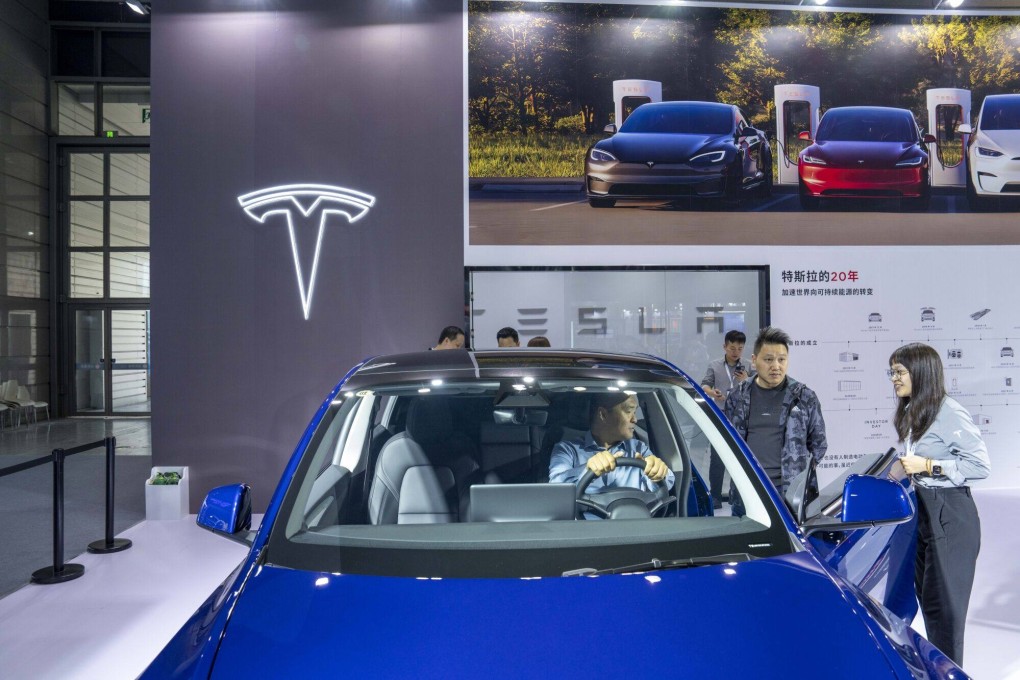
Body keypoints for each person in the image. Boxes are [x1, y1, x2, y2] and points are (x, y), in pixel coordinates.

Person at [888, 342, 990, 667]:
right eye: (892, 372)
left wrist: (929, 466)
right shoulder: (914, 410)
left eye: (900, 372)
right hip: (925, 512)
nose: (894, 378)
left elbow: (979, 466)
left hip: (951, 514)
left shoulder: (949, 412)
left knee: (945, 613)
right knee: (930, 604)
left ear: (921, 373)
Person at [724, 326, 826, 513]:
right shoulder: (738, 396)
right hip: (748, 490)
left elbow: (819, 444)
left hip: (792, 495)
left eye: (782, 359)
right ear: (754, 360)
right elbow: (728, 441)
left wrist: (796, 471)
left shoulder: (804, 397)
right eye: (768, 359)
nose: (776, 366)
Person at [549, 392, 674, 498]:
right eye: (629, 411)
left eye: (635, 412)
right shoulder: (567, 449)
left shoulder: (639, 448)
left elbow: (664, 485)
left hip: (634, 518)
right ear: (603, 414)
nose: (635, 419)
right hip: (585, 520)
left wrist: (658, 473)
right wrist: (587, 469)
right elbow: (554, 490)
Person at [700, 330, 749, 508]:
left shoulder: (748, 366)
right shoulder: (714, 365)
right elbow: (704, 385)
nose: (736, 352)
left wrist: (747, 380)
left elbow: (757, 389)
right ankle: (715, 496)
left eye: (740, 349)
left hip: (742, 416)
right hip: (720, 413)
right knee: (717, 457)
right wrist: (712, 393)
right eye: (732, 348)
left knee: (741, 457)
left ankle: (739, 496)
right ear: (725, 347)